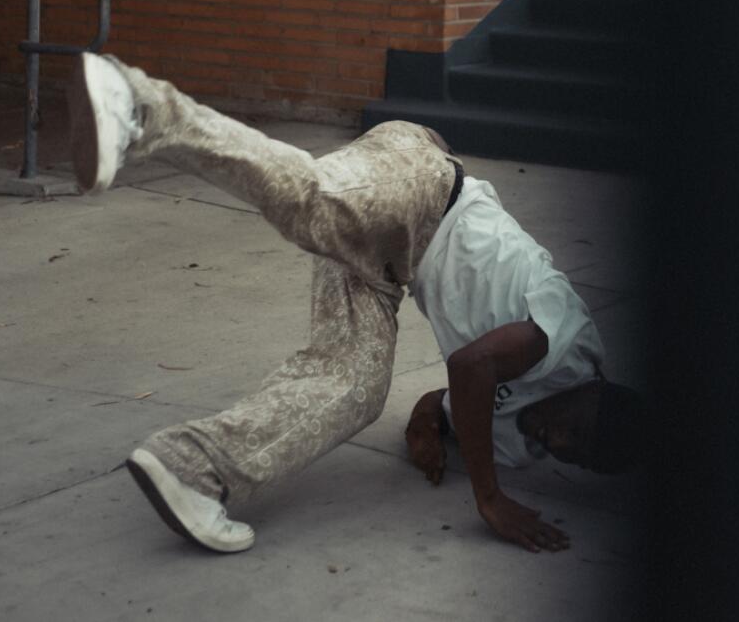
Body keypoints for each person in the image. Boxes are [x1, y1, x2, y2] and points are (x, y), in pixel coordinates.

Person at [65, 52, 643, 554]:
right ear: (594, 391)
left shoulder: (524, 440)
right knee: (314, 200)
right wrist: (487, 496)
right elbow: (472, 367)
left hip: (392, 269)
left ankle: (194, 468)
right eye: (577, 432)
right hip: (427, 185)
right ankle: (141, 104)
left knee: (355, 386)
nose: (558, 444)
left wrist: (424, 436)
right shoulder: (565, 340)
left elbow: (436, 407)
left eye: (575, 459)